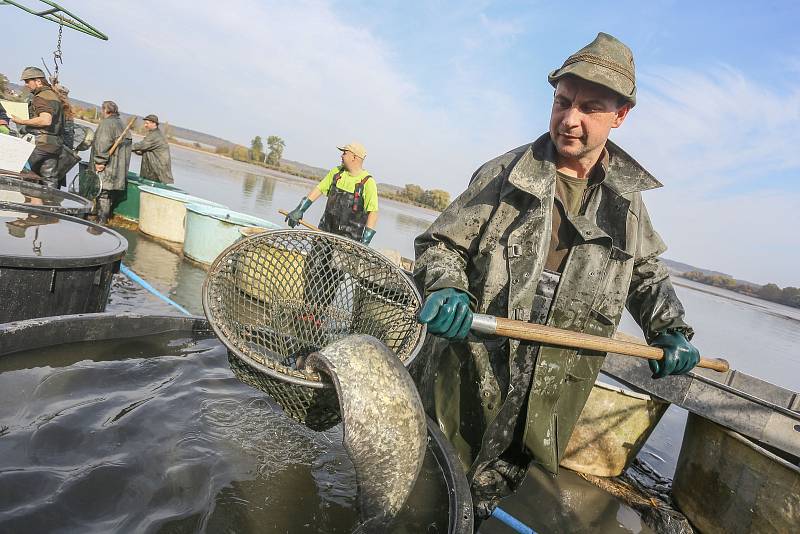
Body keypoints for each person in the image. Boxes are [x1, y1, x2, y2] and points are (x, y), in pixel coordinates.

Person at [412, 33, 701, 522]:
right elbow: (440, 246)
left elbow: (646, 274)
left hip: (550, 388)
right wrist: (446, 287)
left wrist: (670, 328)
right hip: (470, 369)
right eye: (562, 102)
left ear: (620, 116)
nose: (570, 119)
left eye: (589, 107)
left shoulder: (626, 203)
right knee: (427, 488)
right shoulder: (505, 174)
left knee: (484, 497)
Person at [285, 142, 378, 245]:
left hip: (349, 242)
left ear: (354, 157)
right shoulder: (336, 173)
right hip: (325, 232)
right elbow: (318, 189)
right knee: (314, 261)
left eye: (344, 153)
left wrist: (365, 242)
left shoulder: (368, 182)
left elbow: (373, 213)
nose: (341, 156)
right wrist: (300, 209)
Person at [9, 67, 65, 188]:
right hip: (55, 146)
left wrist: (21, 121)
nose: (26, 85)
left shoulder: (40, 97)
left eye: (28, 81)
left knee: (21, 173)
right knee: (49, 179)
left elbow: (46, 120)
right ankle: (50, 205)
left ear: (38, 81)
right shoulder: (54, 96)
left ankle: (24, 203)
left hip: (39, 143)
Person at [90, 100, 132, 223]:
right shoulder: (122, 125)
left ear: (106, 110)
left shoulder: (107, 124)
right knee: (107, 195)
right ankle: (101, 219)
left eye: (102, 110)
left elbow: (102, 144)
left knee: (102, 194)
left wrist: (100, 162)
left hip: (107, 168)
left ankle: (101, 223)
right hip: (118, 171)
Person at [132, 114, 174, 184]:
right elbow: (145, 149)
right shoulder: (154, 134)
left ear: (154, 123)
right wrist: (136, 151)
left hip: (157, 171)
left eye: (147, 123)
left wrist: (125, 146)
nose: (145, 125)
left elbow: (140, 145)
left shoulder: (155, 135)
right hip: (154, 170)